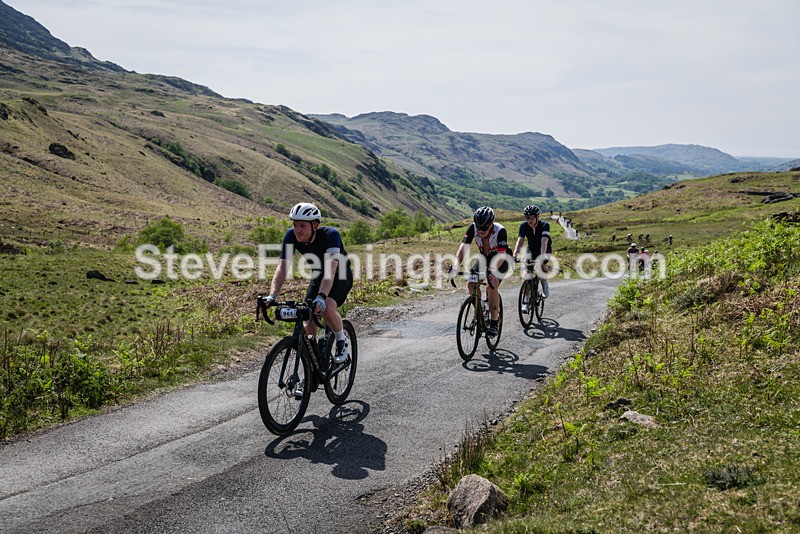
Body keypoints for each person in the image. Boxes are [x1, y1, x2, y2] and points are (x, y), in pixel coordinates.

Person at [264, 202, 354, 374]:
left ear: (315, 225)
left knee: (326, 308)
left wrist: (321, 296)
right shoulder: (291, 236)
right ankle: (312, 365)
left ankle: (341, 340)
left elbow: (331, 269)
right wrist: (272, 296)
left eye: (302, 226)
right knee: (308, 321)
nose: (297, 230)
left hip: (339, 274)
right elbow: (282, 268)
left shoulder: (331, 235)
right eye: (295, 225)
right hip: (319, 275)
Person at [452, 206, 510, 337]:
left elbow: (501, 256)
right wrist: (456, 265)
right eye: (479, 227)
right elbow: (463, 248)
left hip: (501, 259)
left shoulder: (500, 230)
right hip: (484, 258)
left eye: (484, 228)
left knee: (491, 286)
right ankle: (482, 309)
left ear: (491, 224)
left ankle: (494, 323)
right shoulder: (473, 228)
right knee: (471, 283)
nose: (481, 230)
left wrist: (492, 271)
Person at [512, 204, 552, 299]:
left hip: (544, 249)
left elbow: (544, 243)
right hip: (531, 250)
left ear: (537, 217)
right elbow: (520, 241)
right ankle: (525, 299)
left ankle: (544, 282)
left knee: (542, 265)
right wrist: (514, 255)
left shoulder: (545, 225)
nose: (529, 220)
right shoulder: (523, 226)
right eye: (527, 217)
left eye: (532, 217)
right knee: (527, 272)